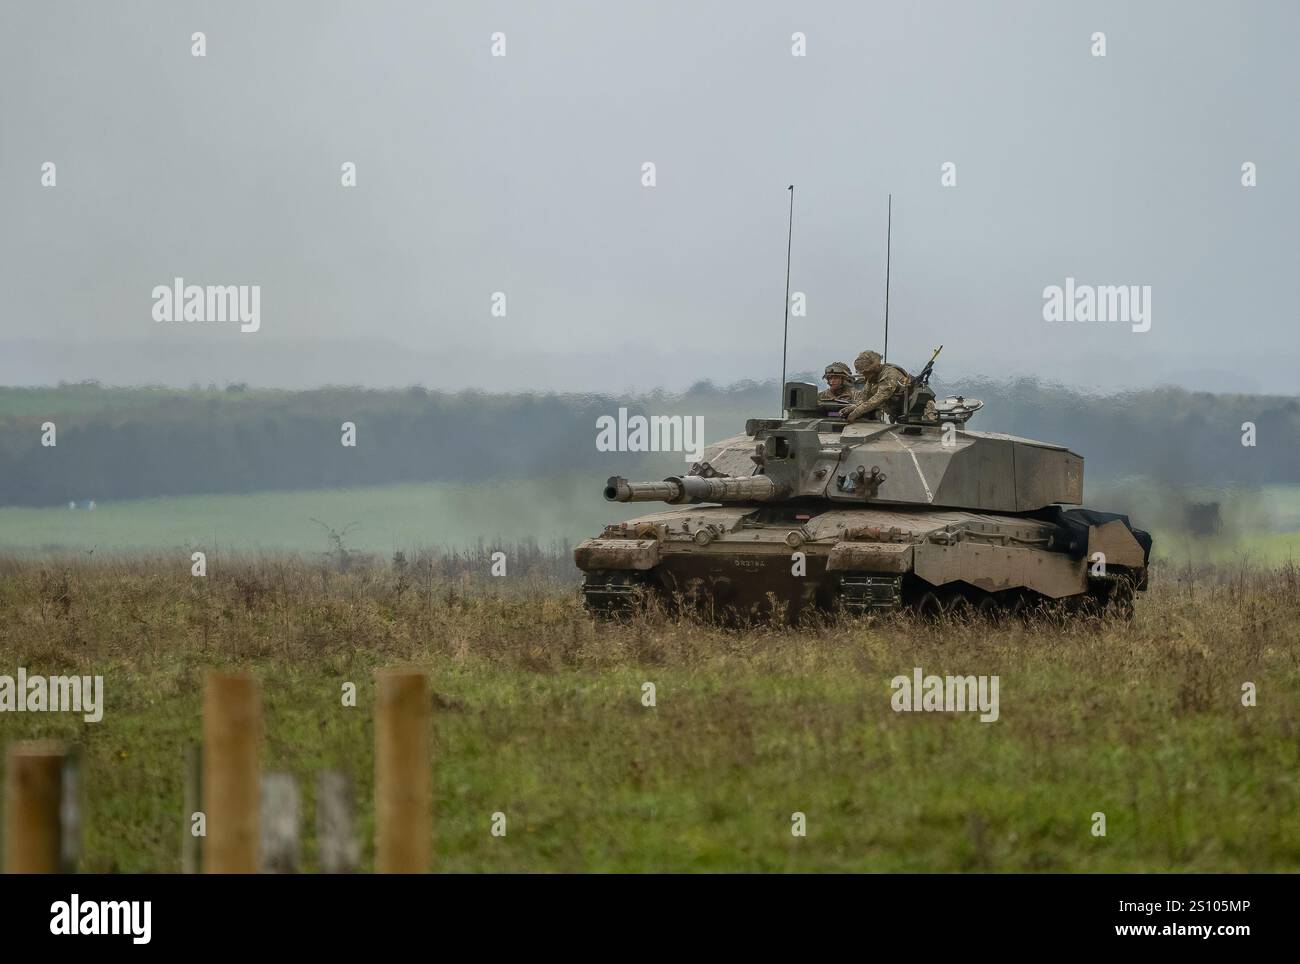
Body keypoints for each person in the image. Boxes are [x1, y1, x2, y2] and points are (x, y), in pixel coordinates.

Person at [839, 350, 936, 423]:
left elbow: (881, 396)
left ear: (875, 367)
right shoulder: (872, 378)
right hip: (901, 416)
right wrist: (852, 408)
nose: (865, 376)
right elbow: (865, 398)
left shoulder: (890, 374)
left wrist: (857, 412)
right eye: (863, 373)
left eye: (866, 372)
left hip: (920, 413)